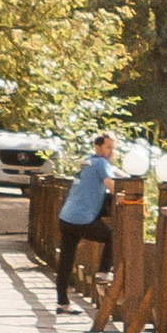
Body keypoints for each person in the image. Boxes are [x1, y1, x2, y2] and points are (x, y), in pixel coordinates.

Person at [55, 132, 120, 309]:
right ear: (98, 148)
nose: (111, 152)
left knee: (66, 261)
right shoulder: (101, 163)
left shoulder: (88, 161)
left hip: (66, 217)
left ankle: (62, 304)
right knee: (112, 237)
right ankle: (103, 273)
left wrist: (125, 175)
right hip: (82, 219)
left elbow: (113, 171)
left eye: (113, 148)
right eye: (108, 147)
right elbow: (112, 186)